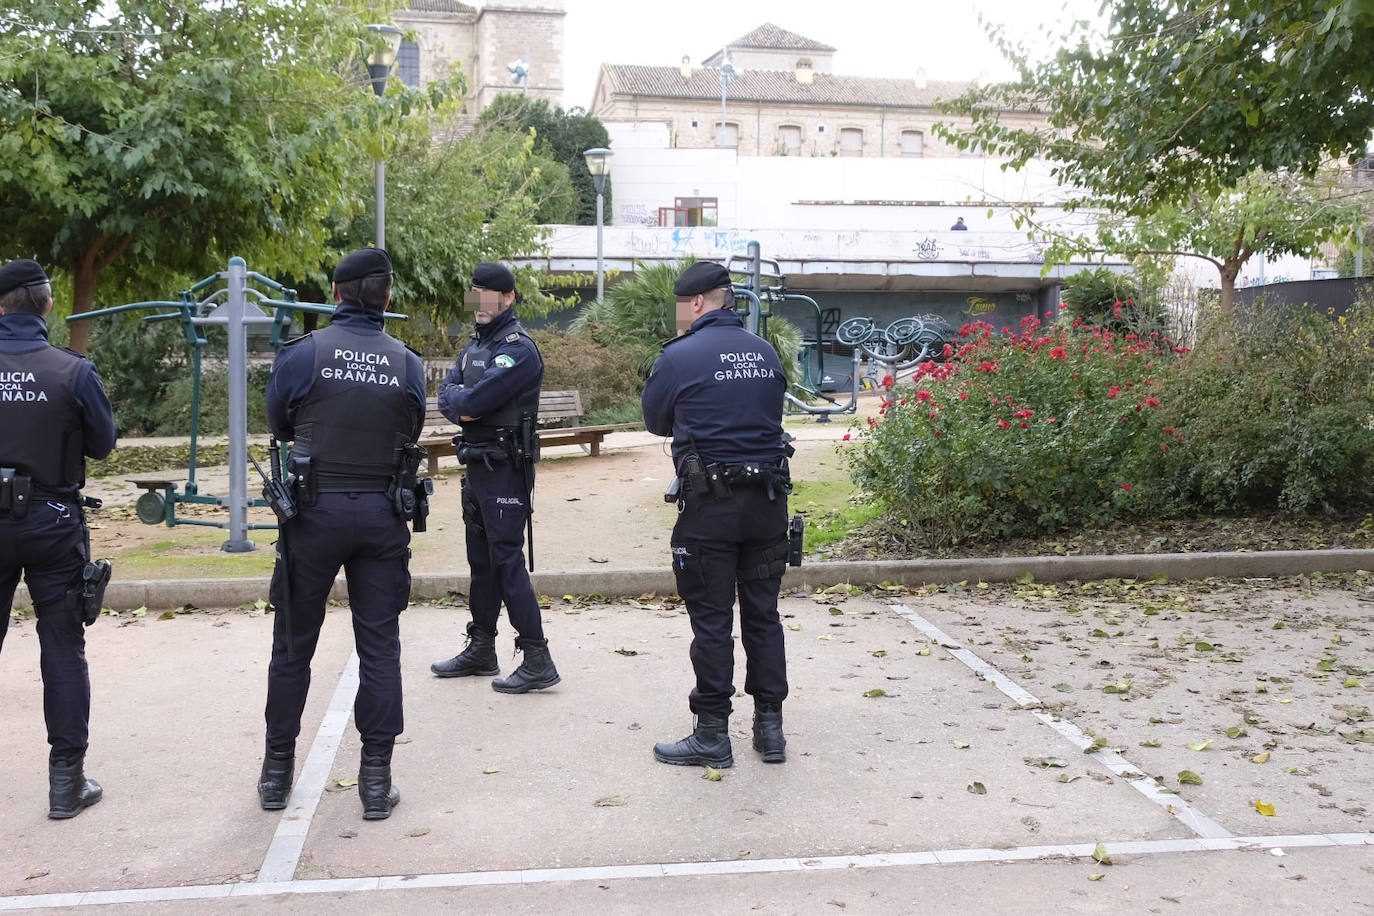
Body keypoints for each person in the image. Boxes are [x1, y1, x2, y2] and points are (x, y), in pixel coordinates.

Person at [258, 247, 426, 821]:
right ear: (387, 298)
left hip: (313, 515)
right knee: (379, 647)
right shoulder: (407, 362)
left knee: (292, 645)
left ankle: (276, 774)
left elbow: (280, 422)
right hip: (381, 515)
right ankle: (375, 782)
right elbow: (412, 425)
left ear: (335, 292)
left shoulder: (303, 355)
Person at [641, 261, 793, 768]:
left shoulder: (680, 357)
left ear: (697, 303)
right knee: (764, 615)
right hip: (769, 505)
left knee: (711, 621)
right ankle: (770, 730)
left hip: (711, 509)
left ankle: (712, 734)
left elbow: (656, 421)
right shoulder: (765, 352)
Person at [0, 258, 118, 818]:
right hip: (52, 521)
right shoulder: (72, 371)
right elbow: (102, 444)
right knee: (63, 652)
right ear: (48, 304)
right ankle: (66, 785)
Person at [430, 263, 559, 693]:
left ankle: (537, 655)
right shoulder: (473, 346)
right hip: (477, 466)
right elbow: (449, 397)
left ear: (509, 298)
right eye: (476, 295)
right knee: (481, 562)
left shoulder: (518, 349)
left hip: (505, 469)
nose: (480, 304)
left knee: (506, 561)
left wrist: (463, 403)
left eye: (489, 296)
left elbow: (476, 401)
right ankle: (482, 646)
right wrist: (462, 403)